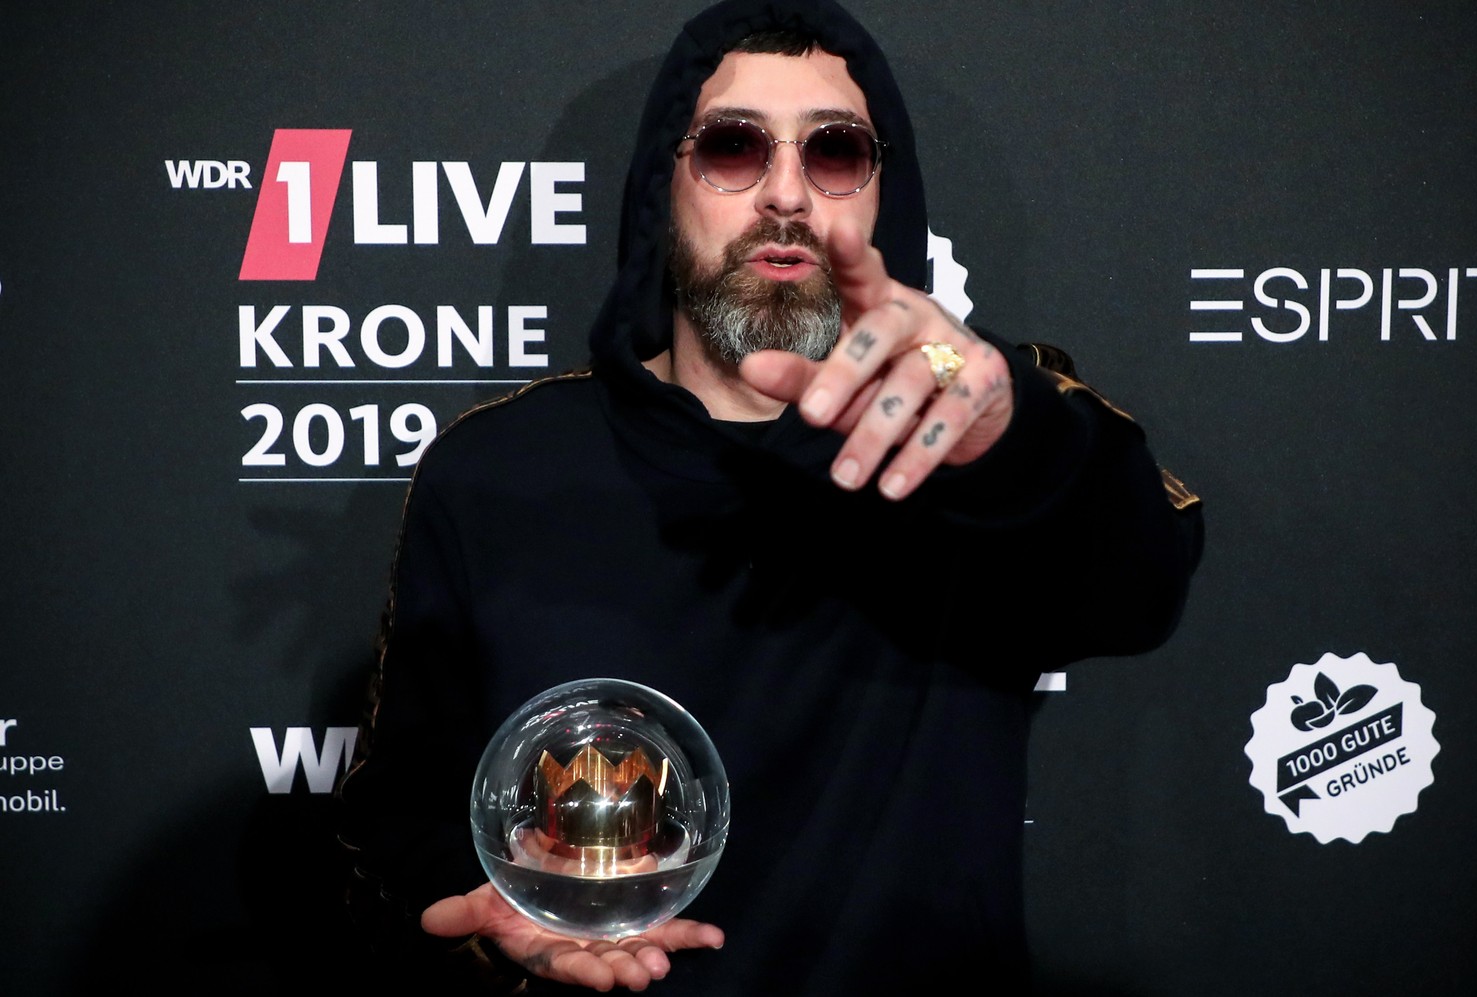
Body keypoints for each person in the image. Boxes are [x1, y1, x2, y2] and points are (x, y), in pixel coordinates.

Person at [337, 0, 1204, 993]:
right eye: (734, 148)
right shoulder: (498, 470)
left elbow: (1141, 588)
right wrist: (490, 911)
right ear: (663, 184)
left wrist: (1008, 436)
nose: (786, 194)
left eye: (834, 152)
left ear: (885, 192)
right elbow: (401, 819)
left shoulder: (976, 439)